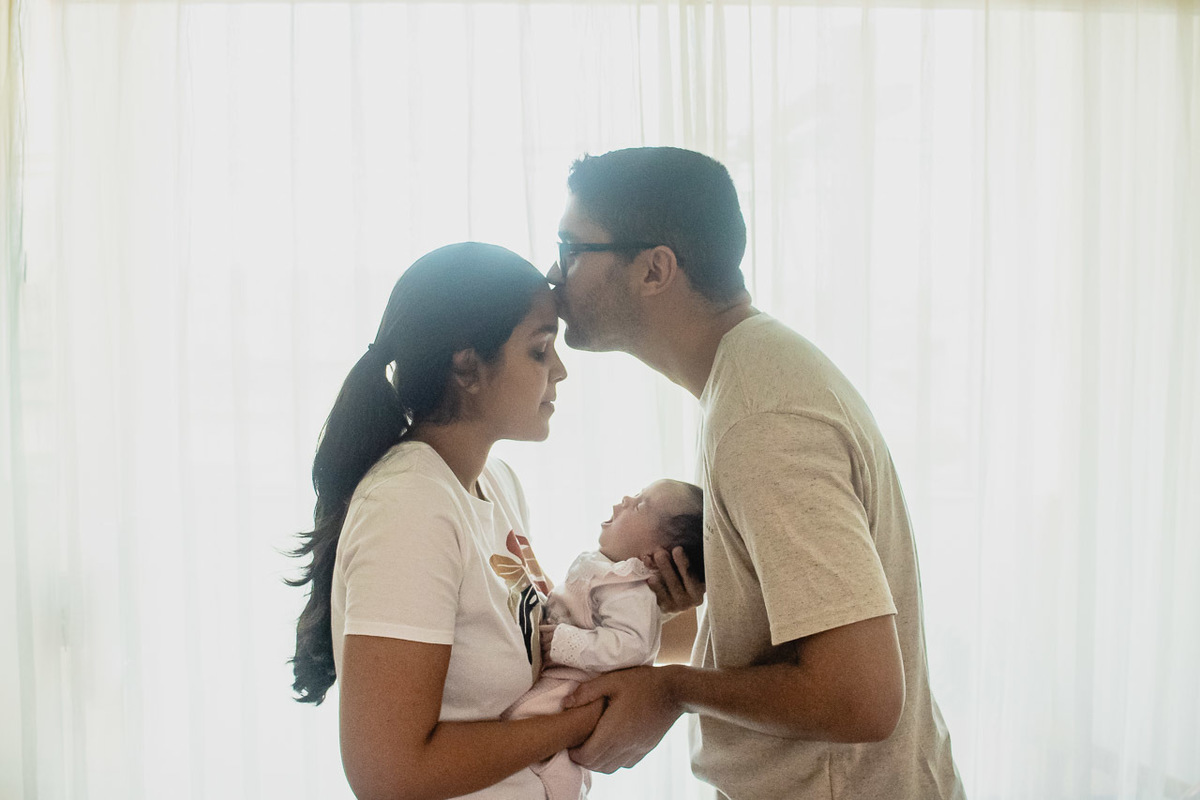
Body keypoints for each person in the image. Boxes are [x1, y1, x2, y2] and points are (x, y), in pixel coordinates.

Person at [547, 147, 966, 799]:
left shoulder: (761, 418)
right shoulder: (750, 377)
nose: (553, 274)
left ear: (655, 269)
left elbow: (861, 698)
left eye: (571, 248)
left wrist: (671, 690)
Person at [287, 242, 603, 799]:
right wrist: (582, 723)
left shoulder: (496, 484)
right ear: (466, 367)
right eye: (539, 349)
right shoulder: (409, 504)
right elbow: (389, 774)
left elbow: (540, 641)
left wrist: (640, 607)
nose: (560, 370)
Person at [503, 479, 704, 800]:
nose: (625, 499)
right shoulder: (612, 573)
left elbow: (631, 647)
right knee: (530, 738)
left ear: (655, 556)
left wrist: (564, 642)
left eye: (640, 505)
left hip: (574, 684)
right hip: (563, 677)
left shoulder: (629, 587)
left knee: (532, 735)